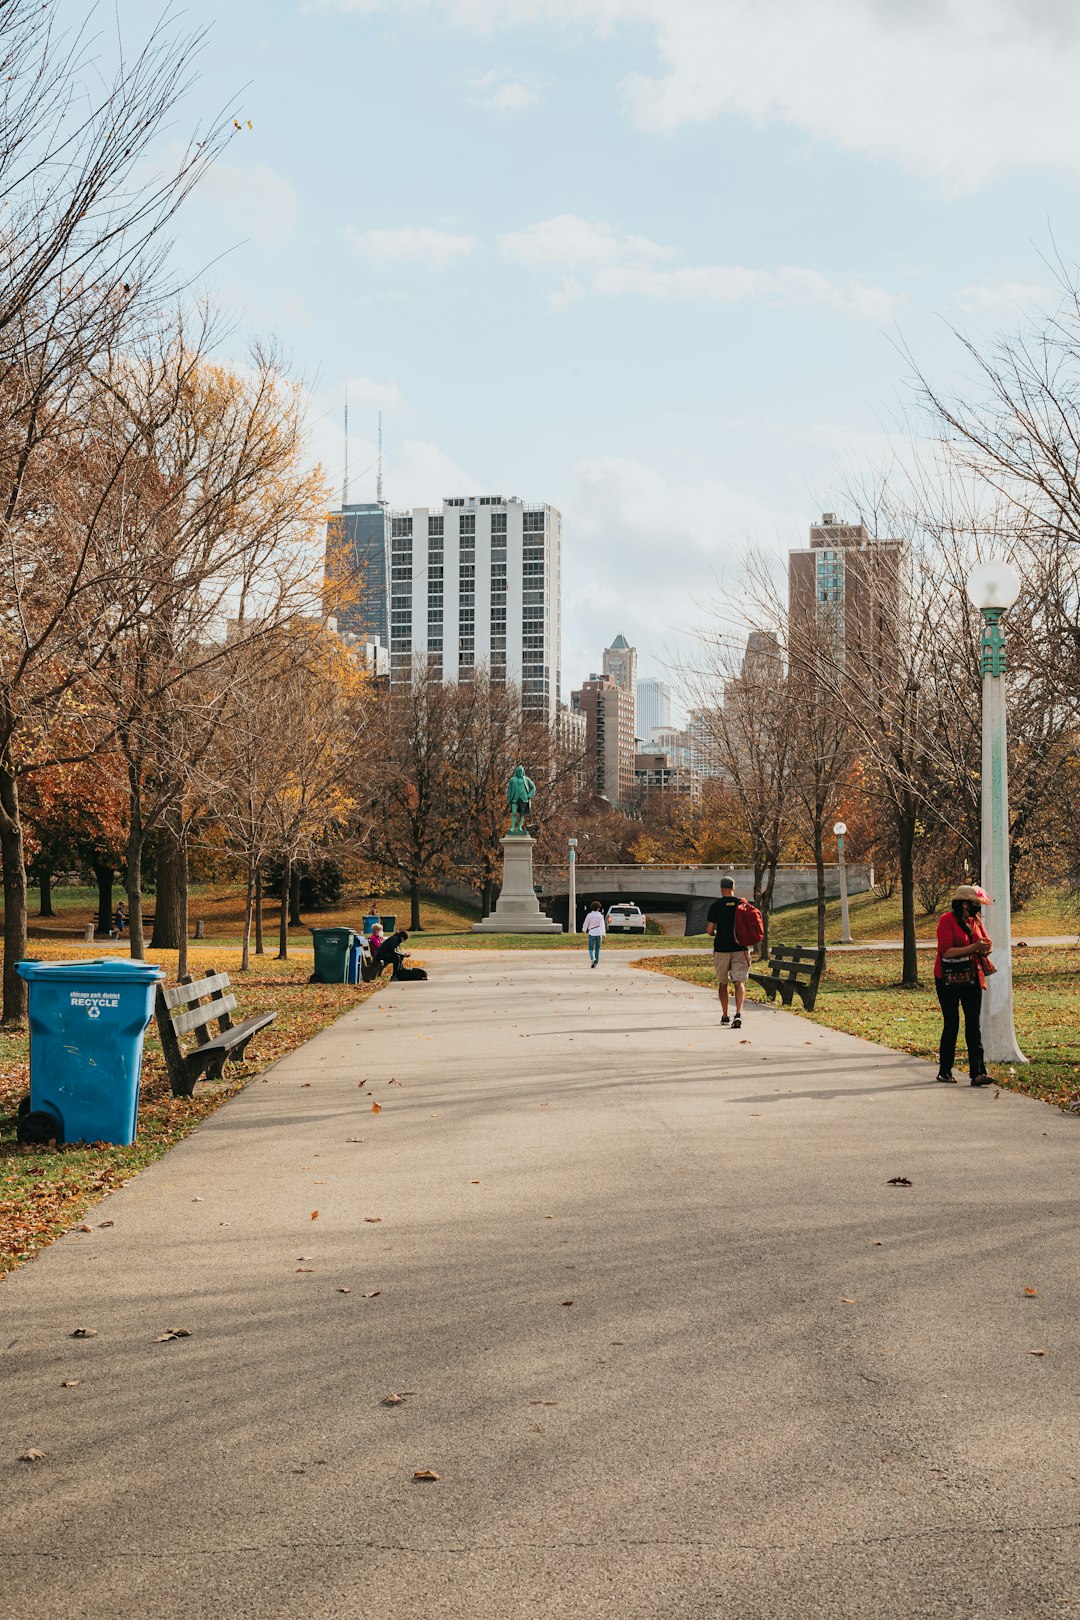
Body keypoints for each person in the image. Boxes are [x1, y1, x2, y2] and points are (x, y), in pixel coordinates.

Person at [935, 884, 994, 1085]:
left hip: (971, 977)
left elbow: (982, 945)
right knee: (952, 1024)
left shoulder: (975, 921)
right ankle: (945, 1070)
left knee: (973, 1025)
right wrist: (974, 947)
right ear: (964, 903)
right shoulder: (947, 920)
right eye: (975, 904)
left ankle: (978, 1073)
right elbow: (946, 951)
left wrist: (985, 948)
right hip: (947, 979)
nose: (978, 908)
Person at [705, 876, 751, 1029]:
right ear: (733, 888)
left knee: (723, 983)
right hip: (740, 948)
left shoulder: (715, 906)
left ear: (721, 888)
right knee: (739, 981)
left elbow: (709, 930)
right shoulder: (741, 904)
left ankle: (725, 1015)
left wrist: (715, 933)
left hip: (721, 949)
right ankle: (738, 1013)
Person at [583, 901, 605, 968]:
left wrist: (584, 930)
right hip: (598, 933)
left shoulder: (589, 915)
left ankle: (592, 958)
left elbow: (586, 923)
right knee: (597, 949)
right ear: (598, 908)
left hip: (591, 932)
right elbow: (602, 925)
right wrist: (604, 934)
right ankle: (596, 963)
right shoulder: (600, 916)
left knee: (590, 948)